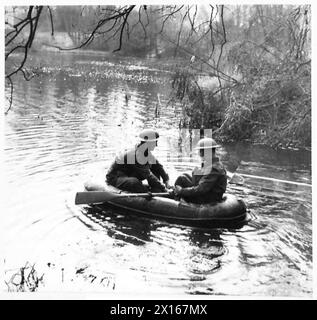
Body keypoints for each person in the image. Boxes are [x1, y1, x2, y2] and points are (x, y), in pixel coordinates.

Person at [106, 129, 171, 193]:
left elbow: (158, 166)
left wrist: (166, 180)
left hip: (128, 174)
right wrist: (164, 189)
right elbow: (148, 175)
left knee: (155, 169)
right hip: (115, 178)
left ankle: (156, 190)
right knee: (134, 182)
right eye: (155, 143)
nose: (156, 145)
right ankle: (147, 193)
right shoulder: (134, 155)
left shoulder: (145, 152)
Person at [173, 137, 227, 204]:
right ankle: (176, 196)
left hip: (208, 199)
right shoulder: (213, 164)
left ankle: (177, 202)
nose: (200, 154)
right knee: (182, 178)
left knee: (181, 184)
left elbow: (201, 189)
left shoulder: (214, 168)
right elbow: (201, 181)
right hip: (207, 193)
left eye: (201, 152)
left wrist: (181, 191)